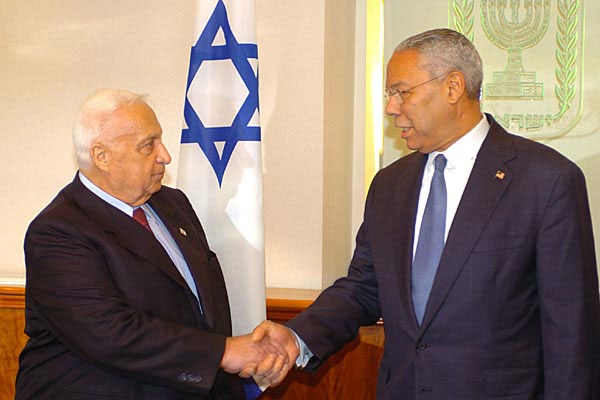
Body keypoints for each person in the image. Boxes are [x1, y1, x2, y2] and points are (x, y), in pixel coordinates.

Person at [255, 28, 600, 399]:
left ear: (453, 88)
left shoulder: (545, 180)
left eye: (402, 92)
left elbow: (571, 329)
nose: (391, 107)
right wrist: (296, 335)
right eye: (390, 94)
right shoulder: (390, 185)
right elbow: (364, 287)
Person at [16, 89, 289, 399]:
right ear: (101, 156)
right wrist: (223, 353)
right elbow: (108, 333)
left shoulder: (173, 204)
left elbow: (203, 310)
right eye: (148, 145)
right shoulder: (58, 231)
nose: (165, 155)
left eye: (159, 140)